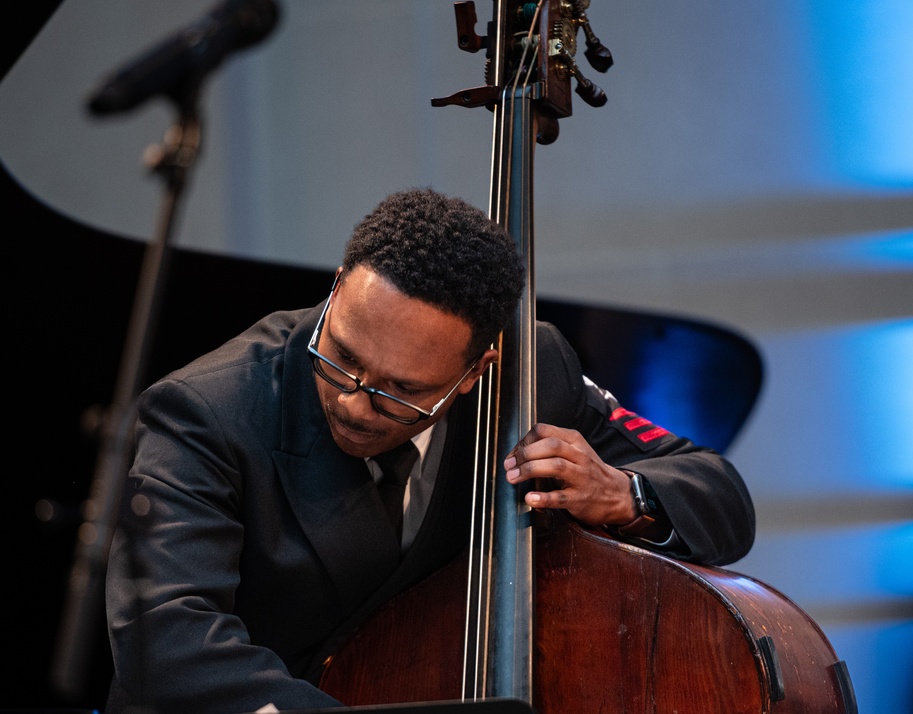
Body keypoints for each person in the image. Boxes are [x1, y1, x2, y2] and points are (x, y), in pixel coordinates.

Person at [104, 188, 755, 713]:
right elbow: (167, 638)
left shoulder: (532, 372)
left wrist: (624, 494)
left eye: (404, 392)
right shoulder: (202, 411)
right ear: (336, 290)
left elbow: (717, 492)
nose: (357, 402)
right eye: (344, 359)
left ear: (477, 370)